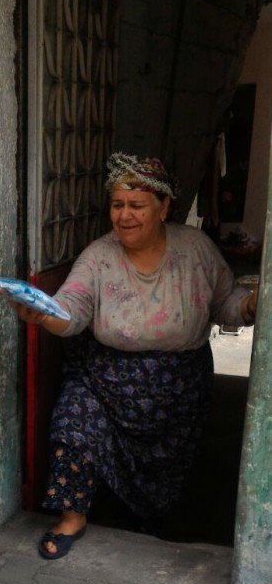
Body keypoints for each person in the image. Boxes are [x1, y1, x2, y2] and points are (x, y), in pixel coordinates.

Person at [16, 152, 258, 559]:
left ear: (164, 208)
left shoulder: (196, 249)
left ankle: (156, 524)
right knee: (74, 421)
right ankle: (72, 516)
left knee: (169, 476)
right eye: (117, 205)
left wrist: (250, 306)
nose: (124, 216)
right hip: (105, 378)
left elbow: (226, 301)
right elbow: (71, 310)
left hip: (178, 383)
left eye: (136, 206)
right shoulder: (98, 256)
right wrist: (45, 315)